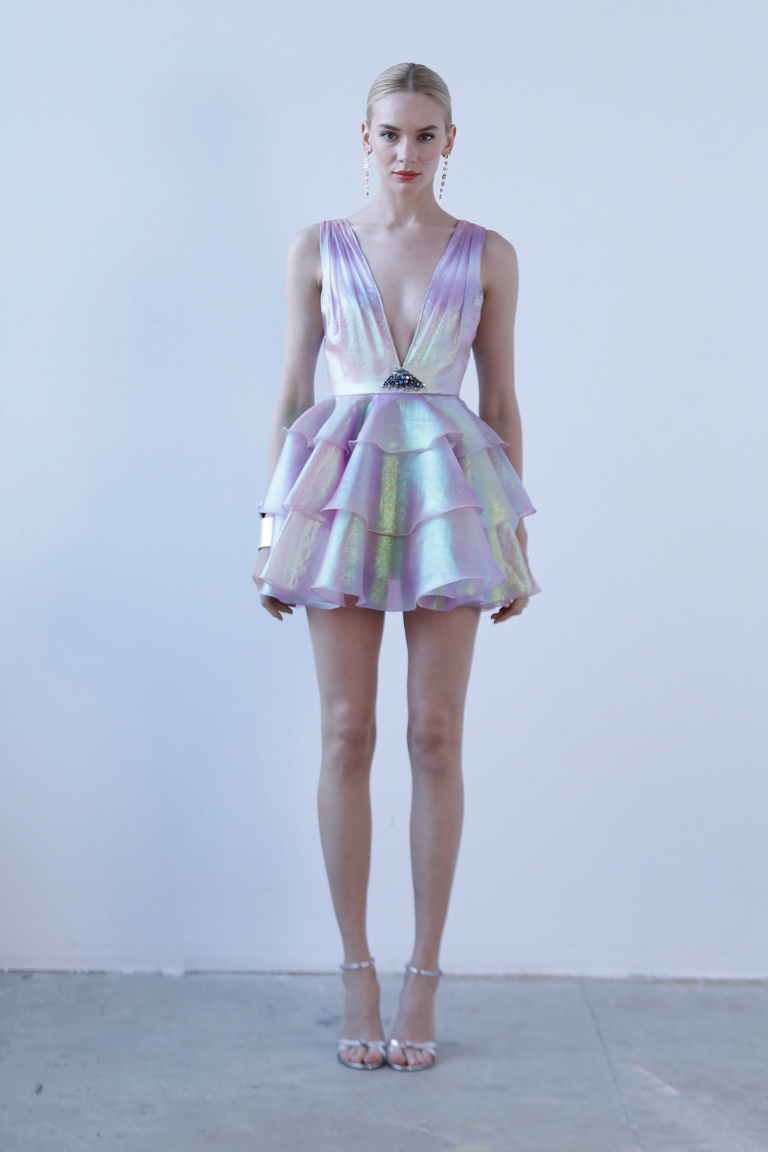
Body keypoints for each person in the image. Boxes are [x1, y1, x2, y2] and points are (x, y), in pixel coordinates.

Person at [252, 62, 540, 1072]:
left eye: (424, 135)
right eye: (390, 134)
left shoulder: (488, 253)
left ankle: (423, 973)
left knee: (433, 734)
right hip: (338, 494)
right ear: (364, 137)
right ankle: (355, 971)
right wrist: (271, 532)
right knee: (346, 730)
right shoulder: (319, 246)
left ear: (450, 140)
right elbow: (293, 394)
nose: (405, 153)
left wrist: (514, 539)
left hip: (447, 499)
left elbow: (500, 402)